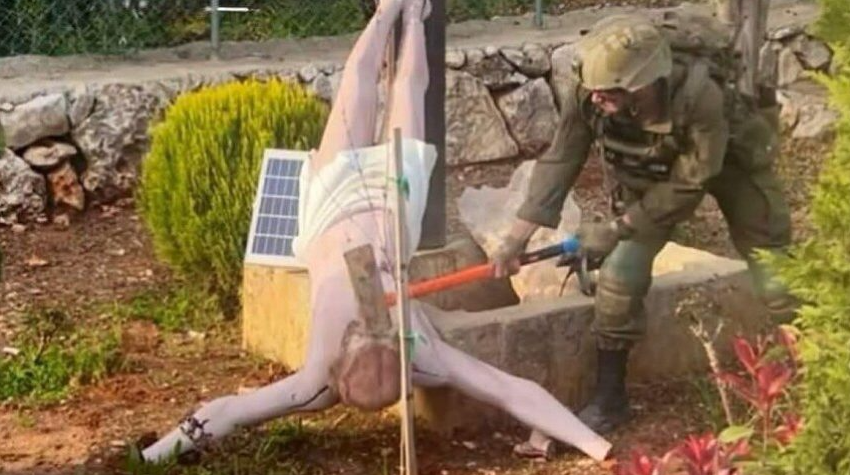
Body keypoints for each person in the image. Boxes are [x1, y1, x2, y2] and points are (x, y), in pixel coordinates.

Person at [139, 0, 612, 464]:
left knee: (366, 90)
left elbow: (228, 411)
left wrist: (155, 456)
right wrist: (595, 446)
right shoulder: (416, 358)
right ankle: (402, 14)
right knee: (400, 90)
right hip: (386, 204)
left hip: (337, 206)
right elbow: (511, 390)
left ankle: (399, 12)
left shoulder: (323, 379)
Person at [493, 13, 796, 446]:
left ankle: (812, 365)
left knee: (774, 268)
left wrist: (617, 227)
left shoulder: (700, 96)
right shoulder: (589, 92)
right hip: (650, 175)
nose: (597, 97)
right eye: (594, 89)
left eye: (609, 91)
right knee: (620, 275)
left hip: (728, 162)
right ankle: (610, 399)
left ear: (644, 84)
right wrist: (515, 239)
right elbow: (561, 159)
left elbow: (692, 181)